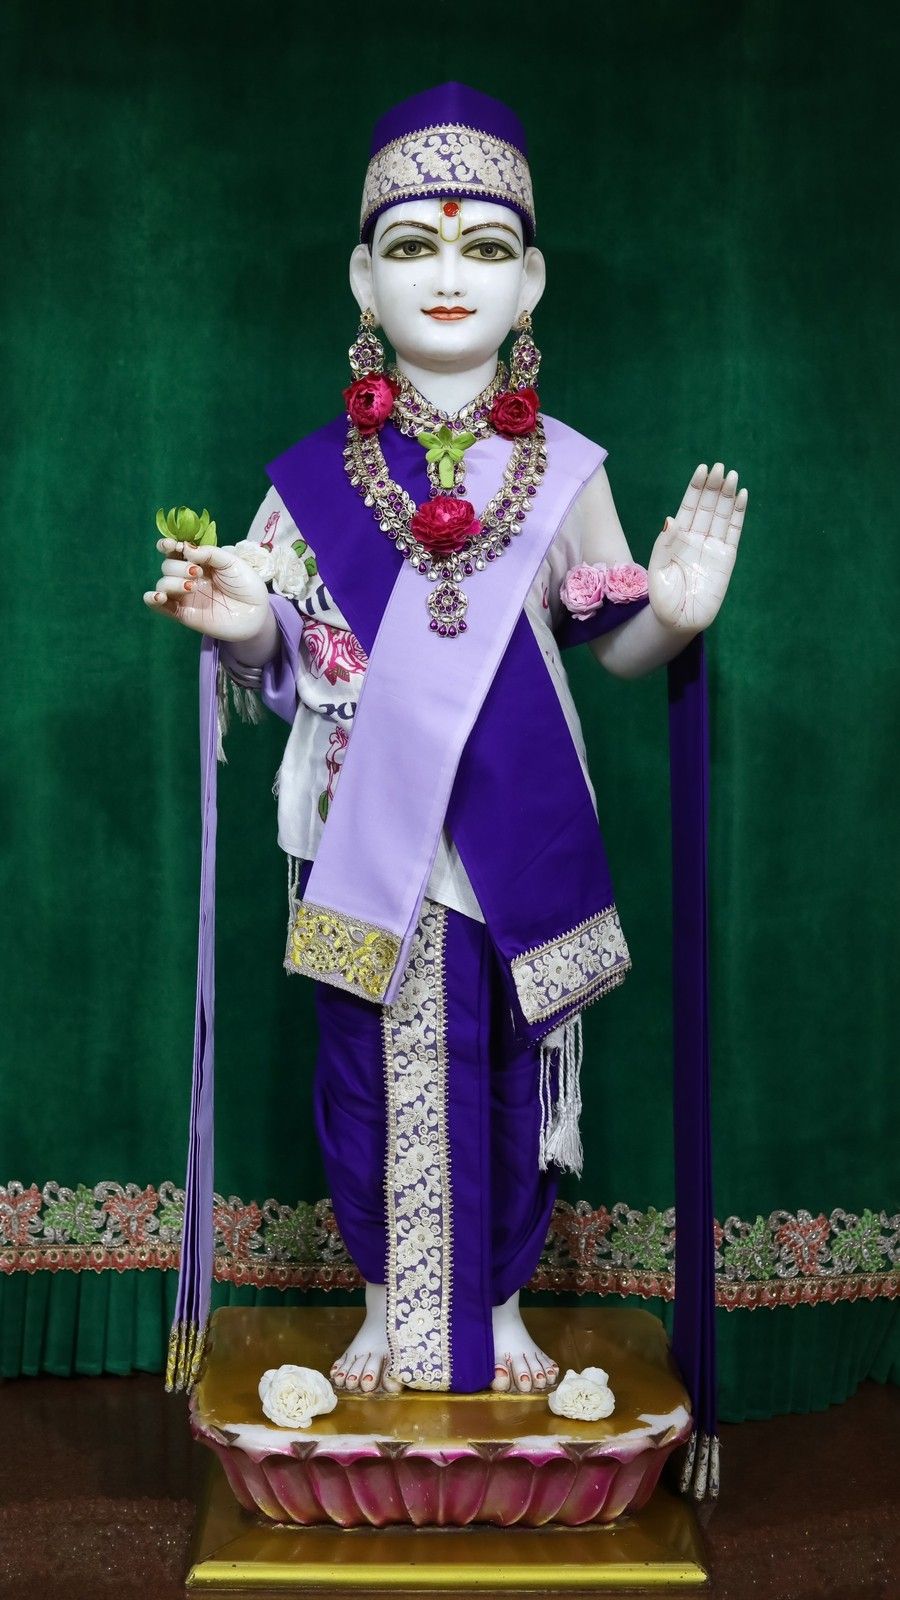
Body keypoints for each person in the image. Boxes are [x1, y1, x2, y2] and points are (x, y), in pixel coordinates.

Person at [146, 84, 746, 1411]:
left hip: (515, 818)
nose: (450, 276)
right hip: (359, 822)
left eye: (483, 249)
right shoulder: (313, 477)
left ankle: (498, 1306)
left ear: (529, 282)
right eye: (414, 246)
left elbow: (619, 635)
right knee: (363, 1069)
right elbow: (278, 652)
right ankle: (382, 1307)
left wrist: (677, 617)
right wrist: (243, 630)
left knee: (512, 1066)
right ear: (365, 277)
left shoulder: (567, 468)